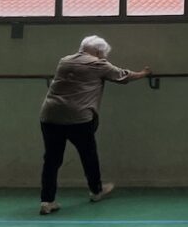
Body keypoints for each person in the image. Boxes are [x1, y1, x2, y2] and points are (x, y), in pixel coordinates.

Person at [38, 36, 151, 215]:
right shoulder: (99, 64)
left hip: (50, 115)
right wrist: (143, 74)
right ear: (98, 52)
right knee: (88, 155)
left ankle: (47, 201)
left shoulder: (64, 61)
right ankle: (96, 191)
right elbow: (123, 76)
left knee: (51, 160)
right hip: (78, 118)